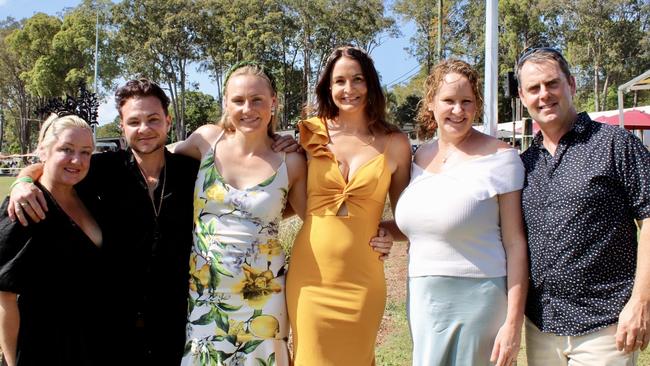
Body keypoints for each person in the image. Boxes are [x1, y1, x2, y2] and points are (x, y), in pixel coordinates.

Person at [8, 79, 199, 365]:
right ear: (121, 126)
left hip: (175, 326)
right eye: (133, 121)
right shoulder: (102, 170)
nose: (144, 129)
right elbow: (55, 166)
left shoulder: (193, 173)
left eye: (153, 119)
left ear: (168, 121)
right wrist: (22, 181)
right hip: (110, 331)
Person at [385, 59, 528, 366]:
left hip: (480, 298)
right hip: (424, 298)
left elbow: (515, 243)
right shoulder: (420, 157)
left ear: (476, 106)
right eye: (449, 101)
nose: (458, 110)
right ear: (431, 104)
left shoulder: (502, 158)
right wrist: (382, 230)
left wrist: (513, 323)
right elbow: (426, 225)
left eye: (467, 102)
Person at [517, 47, 650, 365]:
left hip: (604, 326)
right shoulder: (523, 163)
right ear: (523, 97)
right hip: (541, 325)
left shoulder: (615, 144)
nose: (544, 95)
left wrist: (642, 299)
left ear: (572, 85)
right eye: (534, 89)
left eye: (552, 83)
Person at [170, 62, 307, 365]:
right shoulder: (206, 141)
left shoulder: (291, 161)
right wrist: (39, 172)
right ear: (225, 103)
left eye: (257, 99)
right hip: (206, 294)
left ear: (274, 103)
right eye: (238, 100)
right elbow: (151, 162)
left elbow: (313, 217)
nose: (248, 108)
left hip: (264, 297)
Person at [285, 46, 412, 365]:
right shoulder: (309, 133)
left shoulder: (395, 143)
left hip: (363, 279)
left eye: (357, 79)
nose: (349, 89)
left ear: (370, 84)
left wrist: (386, 232)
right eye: (340, 80)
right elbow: (285, 200)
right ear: (328, 87)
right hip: (311, 276)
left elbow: (409, 219)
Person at [0, 114, 112, 365]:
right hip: (44, 347)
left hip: (93, 343)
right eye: (66, 149)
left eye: (86, 152)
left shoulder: (89, 195)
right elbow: (5, 299)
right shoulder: (25, 205)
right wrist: (11, 362)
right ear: (43, 151)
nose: (77, 160)